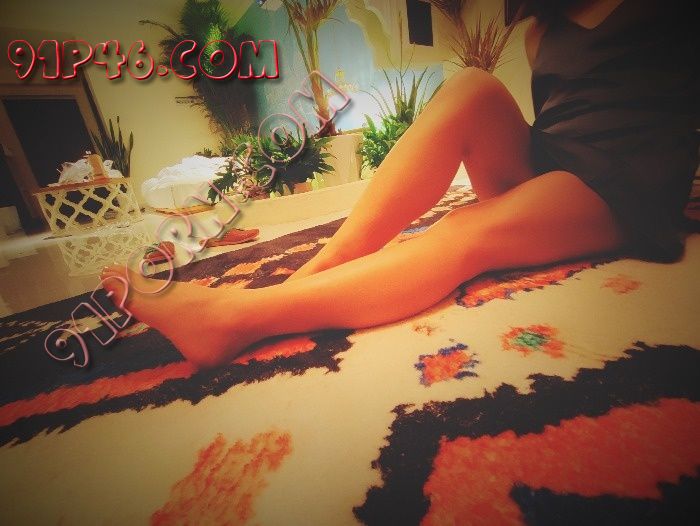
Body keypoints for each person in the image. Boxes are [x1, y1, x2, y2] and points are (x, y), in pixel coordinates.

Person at [101, 0, 698, 368]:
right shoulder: (541, 29)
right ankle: (320, 269)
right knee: (471, 85)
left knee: (463, 226)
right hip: (555, 163)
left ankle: (236, 321)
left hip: (621, 179)